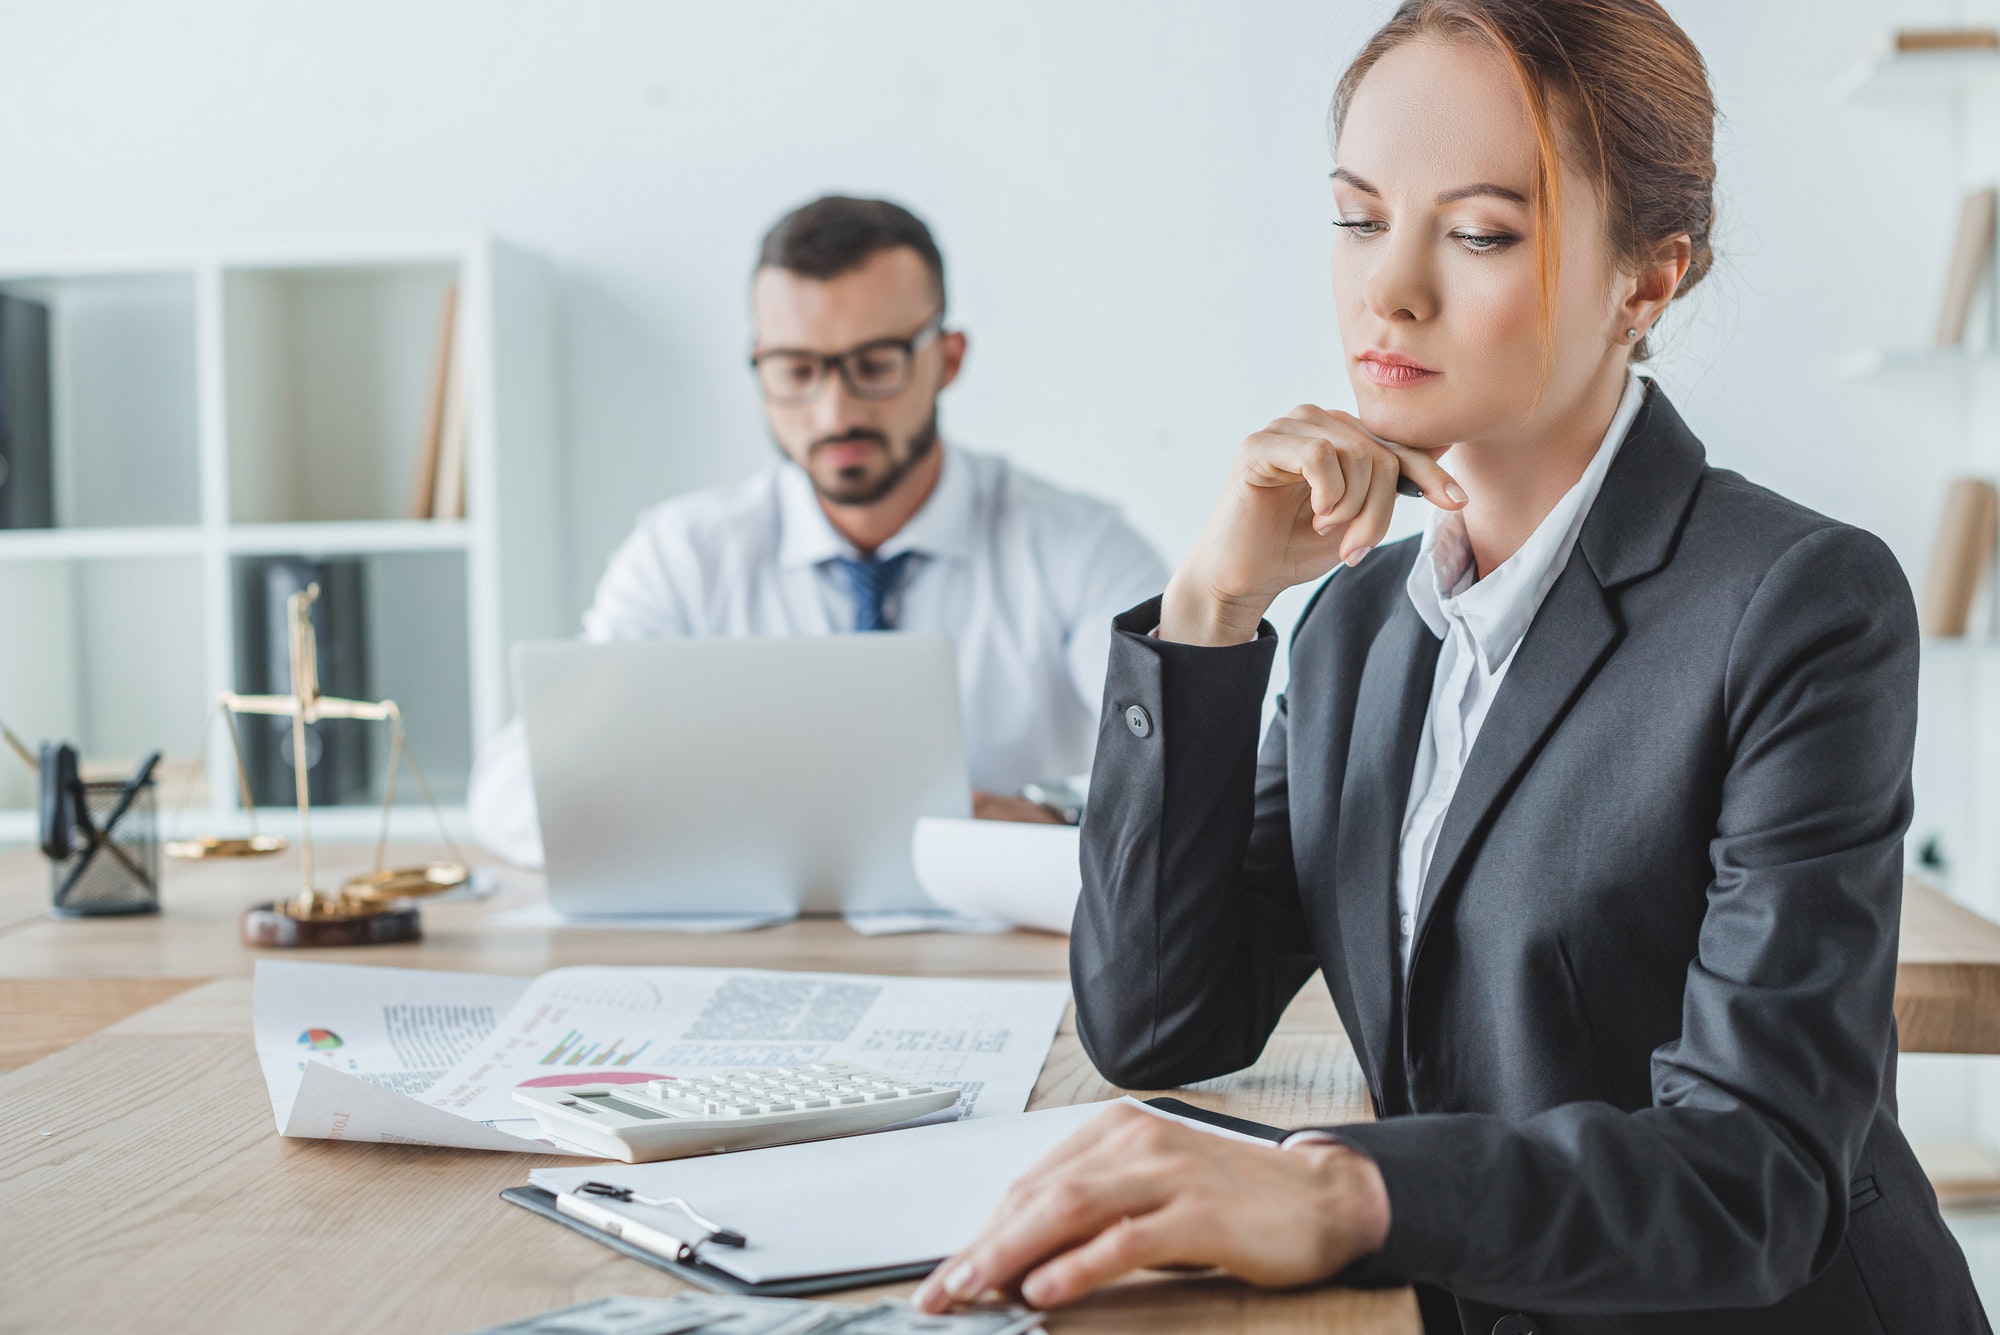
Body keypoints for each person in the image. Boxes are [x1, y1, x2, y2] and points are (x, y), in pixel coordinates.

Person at [914, 2, 1988, 1331]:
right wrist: (1208, 610)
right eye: (1358, 218)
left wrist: (1342, 1192)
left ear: (1647, 279)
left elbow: (1756, 1170)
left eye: (1479, 233)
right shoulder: (1361, 622)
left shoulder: (1795, 603)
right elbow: (1157, 1021)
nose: (1389, 290)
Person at [468, 196, 1168, 867]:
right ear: (758, 366)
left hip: (999, 934)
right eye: (797, 370)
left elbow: (1192, 765)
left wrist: (1056, 815)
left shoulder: (1079, 548)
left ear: (949, 359)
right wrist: (734, 820)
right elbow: (509, 797)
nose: (835, 413)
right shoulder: (684, 558)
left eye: (875, 366)